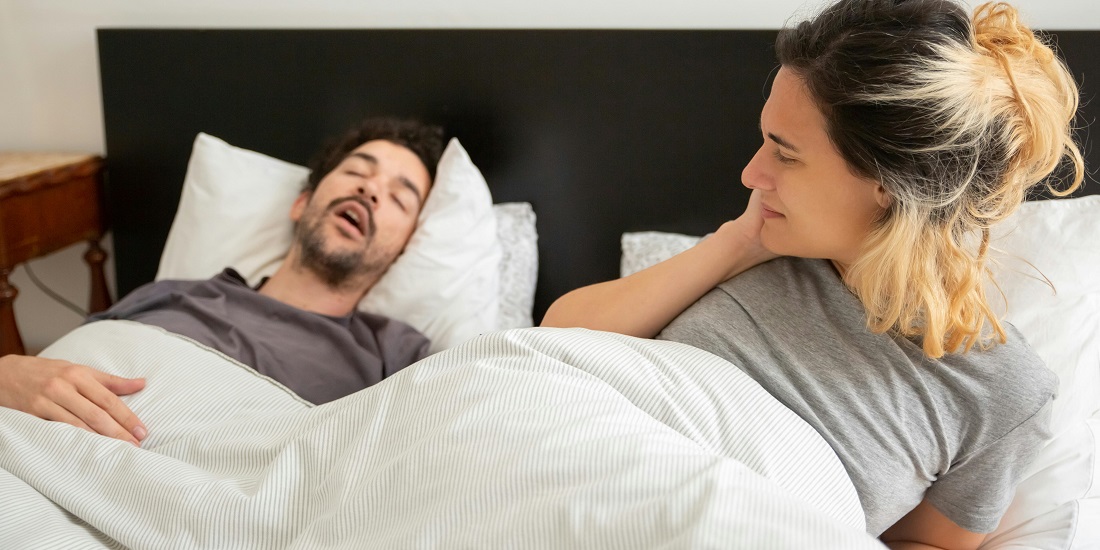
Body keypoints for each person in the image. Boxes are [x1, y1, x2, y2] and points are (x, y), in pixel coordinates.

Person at [542, 1, 1083, 548]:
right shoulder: (768, 247)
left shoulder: (1002, 393)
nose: (751, 173)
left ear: (889, 182)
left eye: (786, 154)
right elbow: (557, 342)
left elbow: (926, 543)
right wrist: (736, 243)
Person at [0, 117, 445, 446]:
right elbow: (59, 372)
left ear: (404, 248)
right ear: (302, 203)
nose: (370, 190)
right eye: (356, 173)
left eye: (398, 198)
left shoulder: (393, 355)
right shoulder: (171, 294)